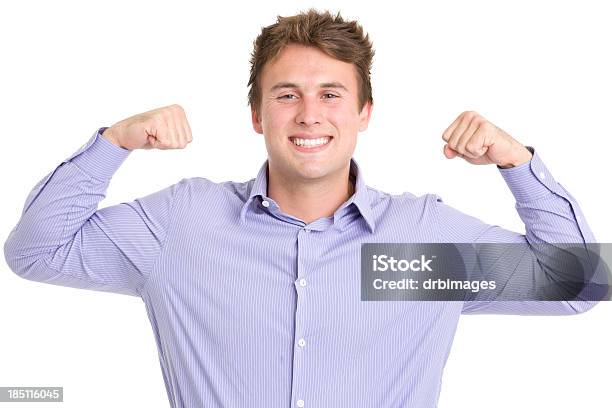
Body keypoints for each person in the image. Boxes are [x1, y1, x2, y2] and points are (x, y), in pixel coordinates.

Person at [3, 8, 600, 408]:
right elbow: (35, 251)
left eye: (331, 95)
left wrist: (516, 162)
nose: (310, 115)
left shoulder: (418, 247)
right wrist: (115, 142)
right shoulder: (183, 226)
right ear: (258, 115)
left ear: (364, 113)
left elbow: (575, 284)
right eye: (287, 95)